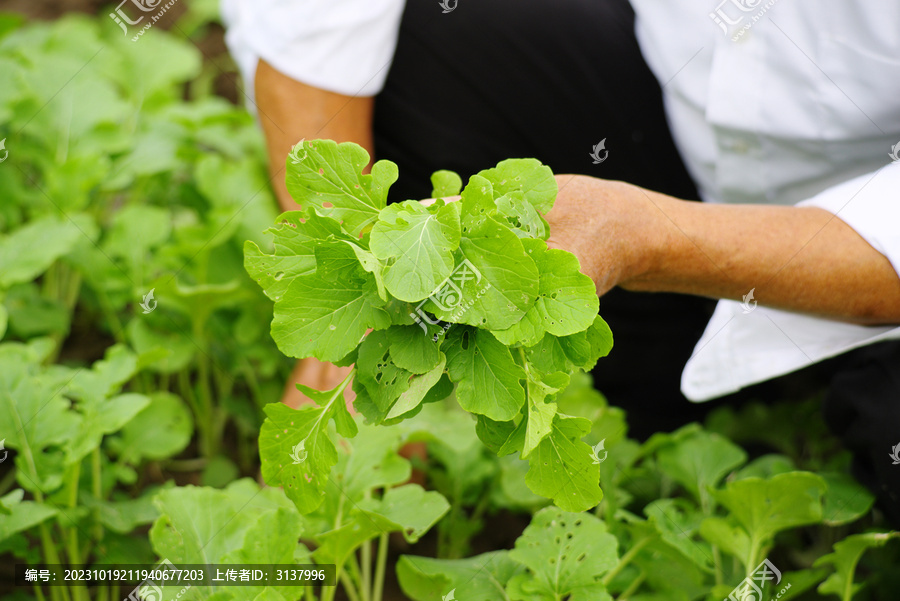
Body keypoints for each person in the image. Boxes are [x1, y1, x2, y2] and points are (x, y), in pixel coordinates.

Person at [222, 0, 900, 522]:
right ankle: (654, 371)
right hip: (662, 117)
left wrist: (653, 236)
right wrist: (356, 283)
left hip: (867, 254)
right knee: (441, 35)